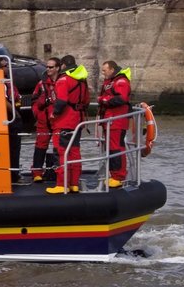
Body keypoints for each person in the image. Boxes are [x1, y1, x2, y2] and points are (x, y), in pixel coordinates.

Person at [46, 55, 88, 194]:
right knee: (75, 152)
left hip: (64, 121)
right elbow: (86, 101)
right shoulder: (82, 81)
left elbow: (62, 101)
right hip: (77, 120)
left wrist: (54, 113)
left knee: (61, 152)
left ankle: (61, 184)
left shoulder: (63, 80)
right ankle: (74, 184)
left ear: (63, 65)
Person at [97, 60, 133, 187]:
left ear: (112, 70)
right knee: (111, 148)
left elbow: (122, 99)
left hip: (117, 120)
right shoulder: (111, 81)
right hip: (110, 120)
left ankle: (119, 176)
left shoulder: (121, 81)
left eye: (104, 70)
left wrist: (103, 100)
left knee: (116, 147)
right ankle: (114, 174)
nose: (103, 73)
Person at [0, 57, 25, 182]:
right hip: (9, 119)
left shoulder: (6, 82)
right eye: (5, 65)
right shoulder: (0, 82)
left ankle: (13, 173)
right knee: (13, 148)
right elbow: (3, 99)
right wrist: (14, 113)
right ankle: (13, 175)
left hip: (8, 118)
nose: (7, 67)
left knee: (13, 148)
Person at [30, 57, 60, 184]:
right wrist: (37, 114)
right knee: (40, 146)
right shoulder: (42, 84)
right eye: (47, 67)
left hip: (58, 120)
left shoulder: (62, 82)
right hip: (43, 121)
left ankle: (60, 172)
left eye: (51, 67)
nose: (48, 69)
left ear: (57, 68)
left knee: (59, 147)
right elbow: (34, 100)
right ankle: (37, 172)